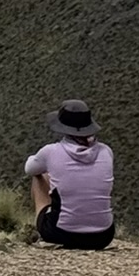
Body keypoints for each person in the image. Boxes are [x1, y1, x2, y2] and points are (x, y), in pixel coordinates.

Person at [24, 99, 115, 250]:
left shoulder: (51, 151)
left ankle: (42, 228)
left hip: (61, 233)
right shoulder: (106, 151)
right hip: (104, 235)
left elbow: (29, 169)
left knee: (39, 176)